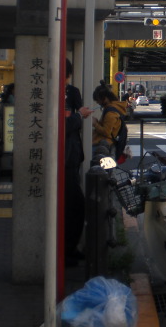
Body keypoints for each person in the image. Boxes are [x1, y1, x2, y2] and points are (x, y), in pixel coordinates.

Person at [64, 59, 93, 266]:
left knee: (73, 205)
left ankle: (69, 248)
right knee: (75, 205)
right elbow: (61, 125)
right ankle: (67, 249)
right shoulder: (52, 92)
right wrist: (79, 116)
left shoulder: (72, 92)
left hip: (71, 156)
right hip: (65, 157)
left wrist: (79, 116)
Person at [91, 81, 127, 160]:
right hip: (107, 144)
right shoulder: (114, 109)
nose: (98, 103)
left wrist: (95, 124)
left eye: (98, 100)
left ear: (105, 98)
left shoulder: (110, 113)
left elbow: (106, 132)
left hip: (103, 145)